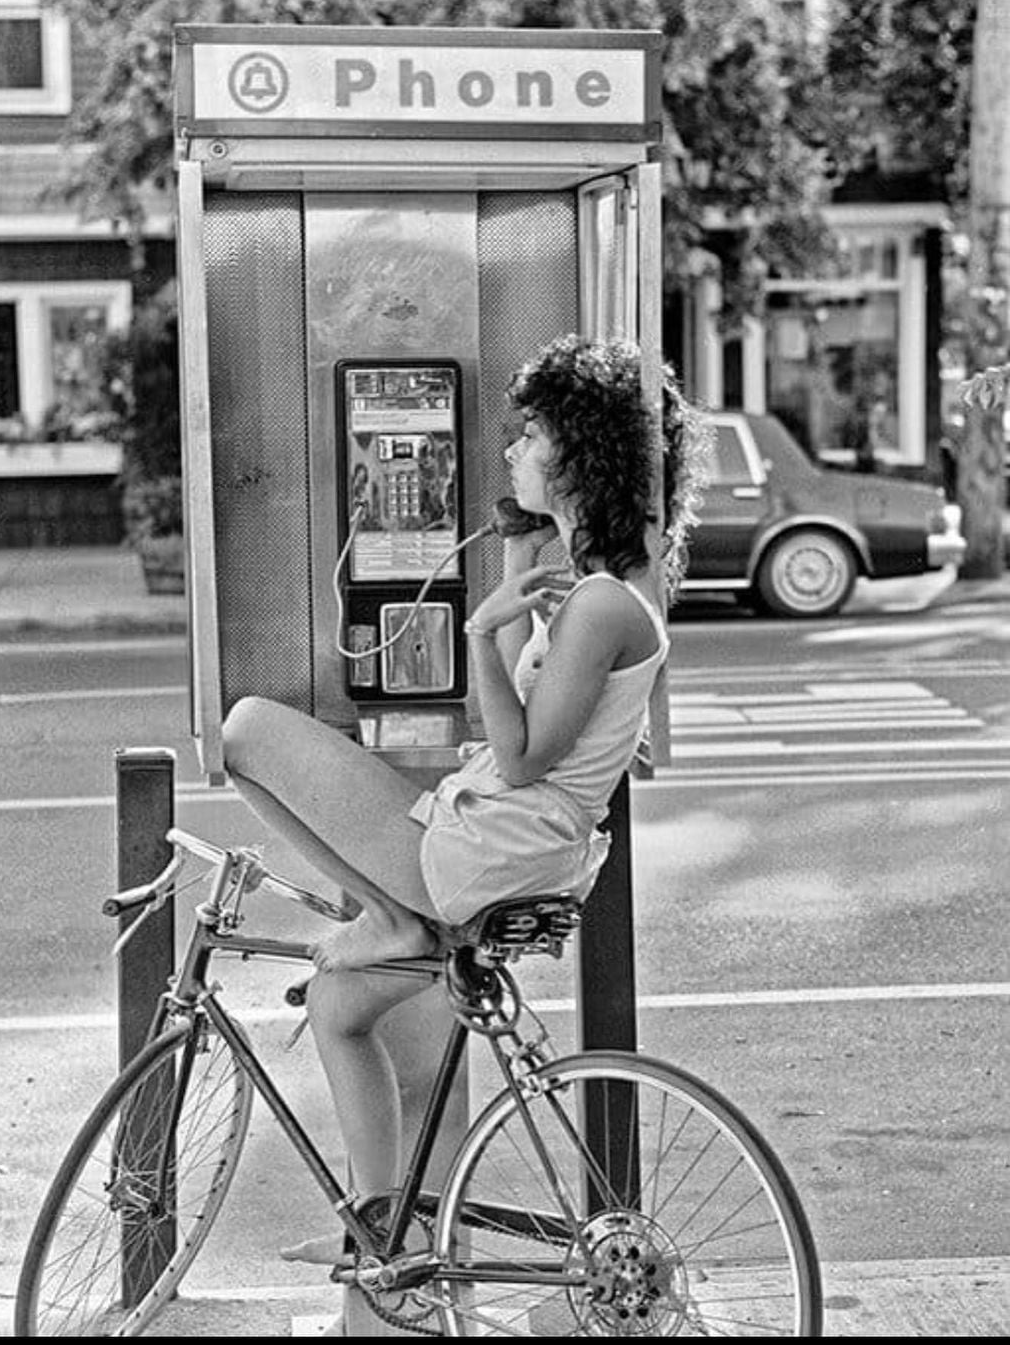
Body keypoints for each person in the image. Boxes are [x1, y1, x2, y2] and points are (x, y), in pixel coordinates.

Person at [221, 334, 708, 1240]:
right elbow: (535, 723)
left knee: (246, 730)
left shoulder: (604, 603)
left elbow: (520, 755)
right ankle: (383, 1232)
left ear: (579, 455)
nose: (514, 449)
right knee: (337, 1005)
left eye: (533, 435)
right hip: (498, 837)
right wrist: (519, 577)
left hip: (489, 845)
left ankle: (392, 915)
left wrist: (482, 630)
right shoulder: (597, 590)